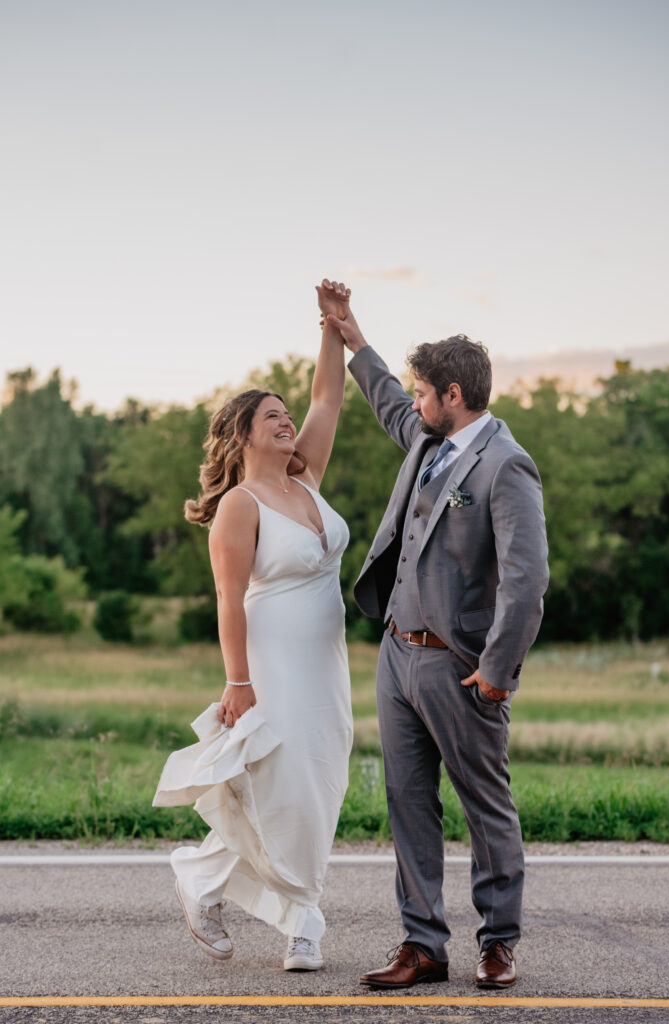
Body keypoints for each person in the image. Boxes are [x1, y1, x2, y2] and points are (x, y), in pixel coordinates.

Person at [320, 284, 549, 990]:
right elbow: (387, 397)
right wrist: (354, 338)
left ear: (453, 394)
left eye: (424, 392)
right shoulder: (428, 435)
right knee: (406, 800)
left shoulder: (505, 466)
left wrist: (498, 671)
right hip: (396, 655)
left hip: (460, 667)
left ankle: (497, 943)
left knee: (484, 806)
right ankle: (422, 944)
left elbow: (525, 579)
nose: (413, 403)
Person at [154, 282, 354, 972]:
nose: (286, 421)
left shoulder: (307, 482)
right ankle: (304, 926)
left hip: (326, 665)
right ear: (242, 433)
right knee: (281, 787)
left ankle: (204, 879)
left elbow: (327, 398)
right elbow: (227, 598)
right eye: (271, 416)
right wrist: (237, 681)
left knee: (321, 783)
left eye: (285, 414)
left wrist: (331, 328)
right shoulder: (241, 505)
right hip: (270, 663)